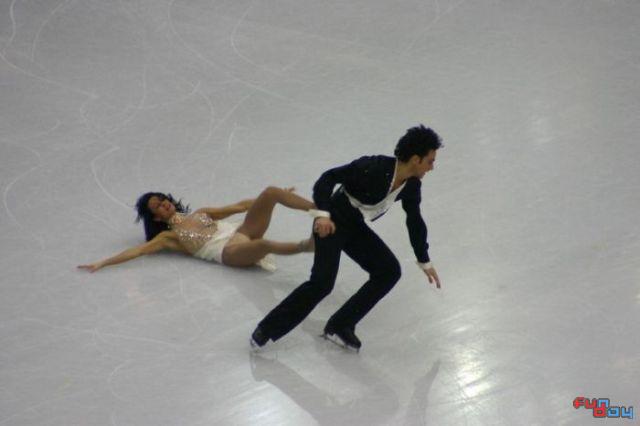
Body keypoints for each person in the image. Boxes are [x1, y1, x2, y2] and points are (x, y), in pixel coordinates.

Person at [251, 125, 443, 351]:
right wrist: (322, 214)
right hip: (332, 221)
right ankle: (266, 329)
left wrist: (424, 259)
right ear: (415, 159)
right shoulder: (372, 167)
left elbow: (414, 220)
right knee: (322, 283)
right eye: (430, 161)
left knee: (388, 271)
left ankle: (340, 325)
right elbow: (327, 178)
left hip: (354, 226)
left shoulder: (411, 185)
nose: (432, 167)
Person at [78, 186, 318, 273]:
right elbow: (138, 251)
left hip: (242, 234)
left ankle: (319, 210)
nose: (164, 204)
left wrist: (268, 200)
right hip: (229, 254)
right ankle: (307, 246)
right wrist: (103, 262)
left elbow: (240, 206)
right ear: (156, 217)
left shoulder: (201, 212)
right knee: (263, 245)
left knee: (271, 192)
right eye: (158, 206)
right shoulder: (169, 236)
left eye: (163, 199)